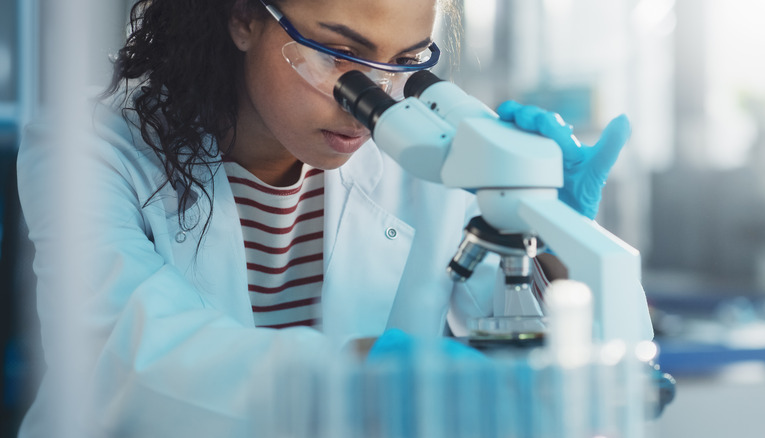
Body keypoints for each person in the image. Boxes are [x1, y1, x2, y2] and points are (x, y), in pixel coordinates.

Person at [16, 0, 652, 436]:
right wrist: (371, 376)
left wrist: (558, 236)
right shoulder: (88, 144)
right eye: (337, 52)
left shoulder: (429, 156)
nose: (369, 97)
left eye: (404, 62)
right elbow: (127, 362)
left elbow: (555, 360)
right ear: (243, 16)